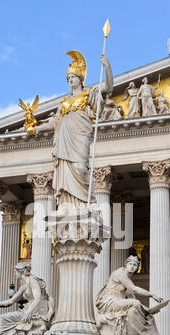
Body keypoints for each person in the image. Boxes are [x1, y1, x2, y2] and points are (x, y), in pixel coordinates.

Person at [35, 50, 114, 214]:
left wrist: (107, 67)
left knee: (80, 168)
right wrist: (36, 128)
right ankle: (65, 205)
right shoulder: (64, 103)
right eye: (68, 78)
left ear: (80, 79)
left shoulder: (89, 94)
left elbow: (108, 87)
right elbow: (55, 122)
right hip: (64, 141)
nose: (70, 80)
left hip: (79, 137)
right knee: (65, 171)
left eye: (73, 77)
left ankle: (89, 201)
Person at [96, 254, 169, 335]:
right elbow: (134, 290)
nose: (132, 266)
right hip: (110, 303)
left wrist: (148, 310)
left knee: (149, 317)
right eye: (130, 264)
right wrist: (152, 295)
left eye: (135, 265)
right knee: (135, 304)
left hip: (119, 303)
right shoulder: (120, 273)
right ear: (126, 264)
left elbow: (133, 300)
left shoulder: (128, 280)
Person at [0, 262, 54, 335]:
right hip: (29, 314)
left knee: (2, 319)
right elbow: (11, 301)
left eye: (16, 272)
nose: (15, 274)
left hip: (36, 315)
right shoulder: (24, 286)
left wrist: (28, 312)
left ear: (20, 271)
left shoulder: (33, 280)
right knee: (2, 318)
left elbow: (37, 298)